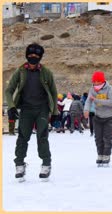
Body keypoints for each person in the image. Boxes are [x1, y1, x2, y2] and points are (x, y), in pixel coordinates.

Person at [5, 43, 58, 181]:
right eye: (30, 55)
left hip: (42, 109)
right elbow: (9, 90)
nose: (32, 58)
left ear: (40, 57)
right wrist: (11, 106)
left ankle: (46, 164)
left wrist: (55, 112)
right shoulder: (20, 71)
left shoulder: (46, 72)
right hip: (26, 109)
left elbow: (53, 92)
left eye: (36, 56)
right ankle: (19, 164)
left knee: (42, 136)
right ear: (26, 56)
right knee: (23, 137)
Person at [84, 71, 112, 167]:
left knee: (107, 137)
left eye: (97, 81)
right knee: (98, 138)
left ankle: (106, 155)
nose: (95, 83)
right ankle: (100, 155)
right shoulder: (92, 89)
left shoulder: (109, 89)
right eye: (94, 81)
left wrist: (97, 100)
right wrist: (86, 110)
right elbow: (88, 101)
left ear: (102, 81)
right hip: (98, 116)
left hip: (110, 117)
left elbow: (111, 103)